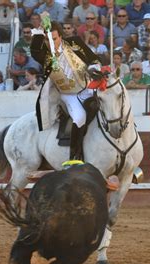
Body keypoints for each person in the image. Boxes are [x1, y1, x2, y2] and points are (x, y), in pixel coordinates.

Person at [30, 20, 100, 161]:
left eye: (54, 39)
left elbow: (93, 59)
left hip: (88, 87)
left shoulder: (74, 42)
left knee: (111, 104)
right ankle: (74, 156)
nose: (51, 43)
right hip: (68, 94)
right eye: (47, 40)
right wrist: (39, 31)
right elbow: (34, 49)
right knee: (79, 117)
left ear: (61, 37)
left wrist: (94, 69)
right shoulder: (43, 55)